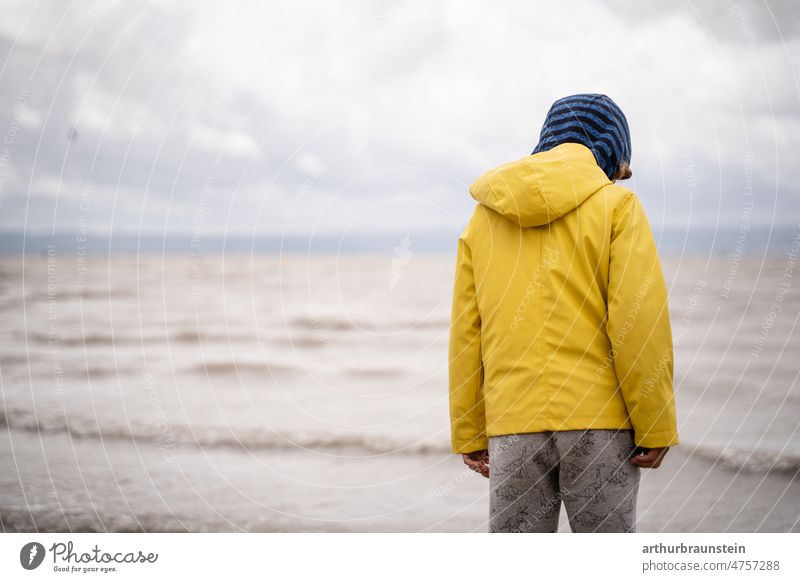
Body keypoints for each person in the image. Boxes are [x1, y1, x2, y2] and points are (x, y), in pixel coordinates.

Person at [448, 93, 678, 533]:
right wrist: (656, 422)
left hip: (511, 425)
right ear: (610, 149)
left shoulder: (484, 218)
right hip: (601, 425)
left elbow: (466, 333)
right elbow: (639, 323)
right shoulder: (618, 207)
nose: (619, 178)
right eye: (621, 168)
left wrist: (470, 430)